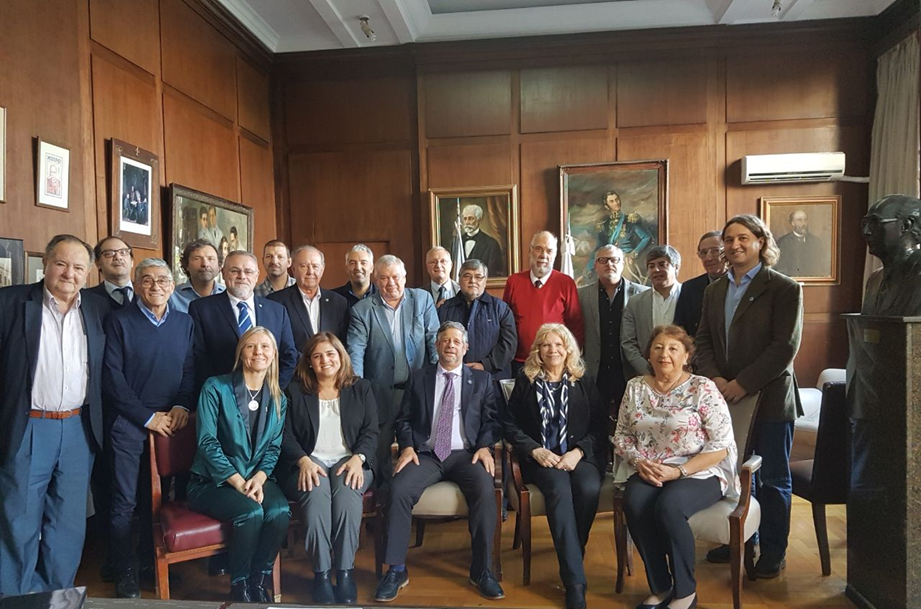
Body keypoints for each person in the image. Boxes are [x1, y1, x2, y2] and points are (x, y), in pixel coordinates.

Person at [694, 214, 803, 578]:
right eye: (729, 240)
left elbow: (784, 346)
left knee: (772, 479)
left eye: (743, 238)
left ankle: (773, 550)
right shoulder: (714, 290)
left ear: (761, 242)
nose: (734, 245)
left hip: (769, 400)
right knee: (733, 474)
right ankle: (739, 540)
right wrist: (715, 379)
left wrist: (742, 383)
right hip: (725, 400)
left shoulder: (784, 288)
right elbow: (703, 339)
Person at [0, 235, 108, 596]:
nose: (69, 273)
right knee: (19, 518)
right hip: (28, 426)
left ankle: (58, 597)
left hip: (78, 428)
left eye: (78, 267)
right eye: (61, 264)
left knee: (68, 523)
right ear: (45, 263)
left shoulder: (98, 309)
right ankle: (16, 598)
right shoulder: (9, 303)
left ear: (88, 272)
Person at [375, 322, 504, 603]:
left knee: (485, 489)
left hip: (466, 454)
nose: (450, 345)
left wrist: (484, 446)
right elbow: (404, 419)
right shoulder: (419, 378)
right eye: (445, 340)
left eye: (456, 341)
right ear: (436, 345)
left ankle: (482, 570)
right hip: (426, 454)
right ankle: (396, 569)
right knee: (398, 489)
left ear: (465, 347)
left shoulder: (482, 380)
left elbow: (492, 421)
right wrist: (407, 447)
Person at [613, 325, 738, 609]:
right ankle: (661, 586)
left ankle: (685, 592)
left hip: (699, 469)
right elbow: (622, 435)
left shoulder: (702, 388)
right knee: (634, 502)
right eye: (658, 347)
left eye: (673, 348)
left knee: (669, 507)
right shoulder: (635, 387)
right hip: (650, 466)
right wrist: (639, 461)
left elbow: (721, 445)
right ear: (648, 354)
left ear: (686, 356)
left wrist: (679, 471)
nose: (664, 354)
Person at [102, 258, 194, 598]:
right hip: (130, 423)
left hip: (169, 424)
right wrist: (146, 417)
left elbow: (189, 369)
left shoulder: (184, 322)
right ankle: (124, 569)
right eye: (147, 280)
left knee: (156, 499)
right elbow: (112, 378)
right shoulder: (119, 321)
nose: (156, 286)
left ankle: (148, 562)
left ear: (172, 285)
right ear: (137, 284)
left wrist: (181, 405)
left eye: (163, 280)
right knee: (124, 502)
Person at [503, 324, 607, 609]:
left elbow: (600, 427)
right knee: (559, 491)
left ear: (568, 348)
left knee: (588, 488)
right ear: (538, 349)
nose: (553, 350)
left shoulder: (583, 380)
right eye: (546, 345)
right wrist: (534, 449)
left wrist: (578, 452)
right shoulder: (526, 380)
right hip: (542, 460)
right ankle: (575, 582)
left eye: (559, 344)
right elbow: (509, 424)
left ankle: (572, 551)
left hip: (578, 457)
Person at [188, 327, 290, 603]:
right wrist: (238, 481)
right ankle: (239, 585)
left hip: (255, 479)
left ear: (274, 355)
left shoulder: (279, 398)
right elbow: (207, 442)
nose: (258, 352)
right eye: (251, 346)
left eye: (265, 347)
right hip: (212, 482)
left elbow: (273, 447)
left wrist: (259, 478)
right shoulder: (215, 387)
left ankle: (259, 579)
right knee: (251, 512)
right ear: (241, 352)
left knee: (280, 511)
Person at [281, 333, 378, 604]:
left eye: (331, 353)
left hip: (351, 461)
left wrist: (358, 458)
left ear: (341, 356)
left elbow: (371, 431)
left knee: (347, 493)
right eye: (318, 355)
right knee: (315, 493)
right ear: (309, 362)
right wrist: (302, 460)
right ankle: (321, 573)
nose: (325, 360)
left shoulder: (361, 388)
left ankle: (345, 572)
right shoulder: (294, 391)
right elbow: (285, 434)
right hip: (308, 462)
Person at [347, 254, 439, 489]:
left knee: (418, 447)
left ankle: (411, 496)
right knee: (379, 451)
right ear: (376, 279)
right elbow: (355, 352)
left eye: (396, 277)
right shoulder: (362, 310)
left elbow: (434, 341)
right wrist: (359, 392)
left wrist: (440, 381)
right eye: (384, 278)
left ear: (405, 277)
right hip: (380, 393)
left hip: (418, 391)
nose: (391, 283)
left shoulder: (422, 300)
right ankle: (381, 498)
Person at [189, 251, 298, 394]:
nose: (242, 276)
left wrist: (272, 390)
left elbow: (289, 356)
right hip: (219, 395)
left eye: (248, 271)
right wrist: (219, 393)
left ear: (257, 275)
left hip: (267, 395)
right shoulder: (201, 309)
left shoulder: (277, 311)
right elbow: (198, 358)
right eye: (235, 271)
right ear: (223, 273)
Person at [578, 245, 647, 418]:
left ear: (622, 264)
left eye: (614, 260)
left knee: (632, 421)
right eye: (603, 260)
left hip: (629, 371)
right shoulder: (581, 295)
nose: (609, 264)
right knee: (596, 423)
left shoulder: (642, 294)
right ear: (595, 265)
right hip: (595, 372)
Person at [503, 231, 583, 376]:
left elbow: (575, 326)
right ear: (530, 251)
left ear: (555, 254)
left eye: (549, 251)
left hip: (554, 363)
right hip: (520, 361)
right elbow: (505, 322)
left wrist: (570, 360)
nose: (543, 255)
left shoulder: (566, 283)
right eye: (538, 249)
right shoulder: (514, 282)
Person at [439, 258, 517, 380]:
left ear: (485, 281)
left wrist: (486, 364)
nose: (472, 281)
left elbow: (509, 344)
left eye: (478, 277)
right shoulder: (445, 308)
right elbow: (436, 341)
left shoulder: (500, 308)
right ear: (459, 280)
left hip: (492, 377)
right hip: (453, 377)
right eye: (467, 276)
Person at [268, 245, 350, 352]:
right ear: (293, 269)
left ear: (322, 270)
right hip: (294, 362)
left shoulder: (338, 302)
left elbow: (343, 344)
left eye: (315, 266)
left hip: (328, 362)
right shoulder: (276, 302)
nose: (310, 271)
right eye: (304, 266)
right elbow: (276, 344)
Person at [622, 245, 683, 378]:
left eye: (662, 264)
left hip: (684, 374)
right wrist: (648, 370)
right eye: (651, 266)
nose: (656, 270)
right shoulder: (635, 302)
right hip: (648, 376)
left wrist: (684, 369)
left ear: (676, 267)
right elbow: (628, 343)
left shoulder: (690, 295)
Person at [674, 231, 728, 338]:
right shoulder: (689, 288)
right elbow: (680, 328)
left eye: (715, 251)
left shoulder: (741, 283)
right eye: (703, 253)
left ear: (727, 252)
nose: (708, 258)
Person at [595, 190, 654, 283]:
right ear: (606, 206)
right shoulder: (604, 225)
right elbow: (599, 248)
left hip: (626, 261)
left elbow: (646, 237)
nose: (616, 203)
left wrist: (633, 254)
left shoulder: (629, 220)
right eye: (612, 201)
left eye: (617, 199)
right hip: (609, 263)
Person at [170, 239, 225, 314]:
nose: (205, 264)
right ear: (186, 265)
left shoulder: (227, 295)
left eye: (211, 259)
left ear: (219, 266)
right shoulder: (173, 297)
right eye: (197, 259)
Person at [88, 236, 135, 312]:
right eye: (109, 253)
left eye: (123, 252)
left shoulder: (147, 292)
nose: (118, 257)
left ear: (132, 261)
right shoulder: (87, 298)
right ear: (98, 263)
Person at [774, 210, 824, 277]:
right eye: (799, 220)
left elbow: (820, 266)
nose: (803, 224)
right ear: (792, 223)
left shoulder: (816, 242)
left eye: (805, 220)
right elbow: (780, 269)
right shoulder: (783, 243)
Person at [461, 204, 504, 276]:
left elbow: (494, 273)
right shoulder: (457, 242)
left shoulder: (491, 244)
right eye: (465, 219)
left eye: (471, 218)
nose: (467, 222)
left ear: (479, 220)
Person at [332, 244, 378, 308]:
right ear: (347, 268)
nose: (358, 268)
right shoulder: (334, 297)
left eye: (363, 263)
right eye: (352, 263)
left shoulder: (382, 296)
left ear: (371, 268)